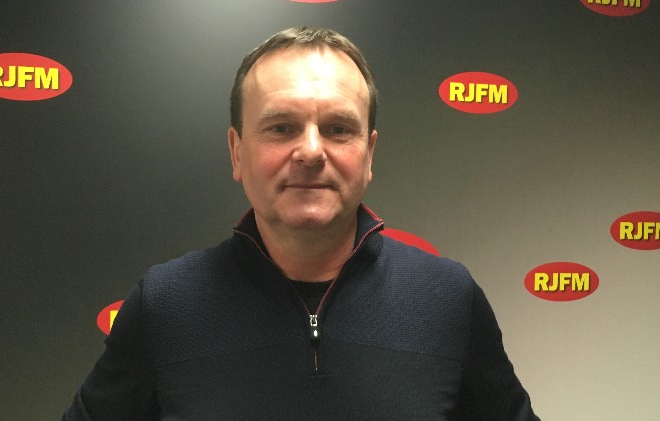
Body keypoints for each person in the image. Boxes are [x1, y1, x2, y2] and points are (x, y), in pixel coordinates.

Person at [64, 27, 539, 420]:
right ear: (236, 151)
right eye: (281, 128)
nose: (311, 151)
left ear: (369, 154)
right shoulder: (165, 305)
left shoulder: (448, 301)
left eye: (338, 129)